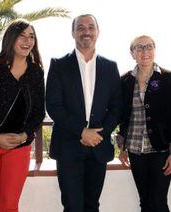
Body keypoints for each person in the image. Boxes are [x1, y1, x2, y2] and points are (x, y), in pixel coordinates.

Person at [46, 14, 122, 212]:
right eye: (80, 27)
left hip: (99, 147)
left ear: (98, 32)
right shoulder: (58, 65)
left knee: (92, 205)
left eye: (90, 27)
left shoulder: (110, 67)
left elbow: (116, 107)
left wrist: (99, 135)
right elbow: (54, 106)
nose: (86, 31)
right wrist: (82, 131)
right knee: (72, 206)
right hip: (69, 147)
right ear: (73, 33)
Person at [0, 19, 45, 212]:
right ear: (11, 38)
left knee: (9, 203)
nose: (27, 41)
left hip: (19, 147)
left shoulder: (36, 72)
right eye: (22, 35)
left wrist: (24, 136)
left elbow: (38, 112)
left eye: (31, 37)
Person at [117, 35, 171, 212]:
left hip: (160, 150)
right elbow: (123, 115)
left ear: (154, 50)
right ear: (132, 53)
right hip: (134, 149)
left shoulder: (169, 79)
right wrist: (122, 147)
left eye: (148, 47)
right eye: (139, 48)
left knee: (159, 202)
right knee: (145, 202)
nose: (144, 51)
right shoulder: (124, 81)